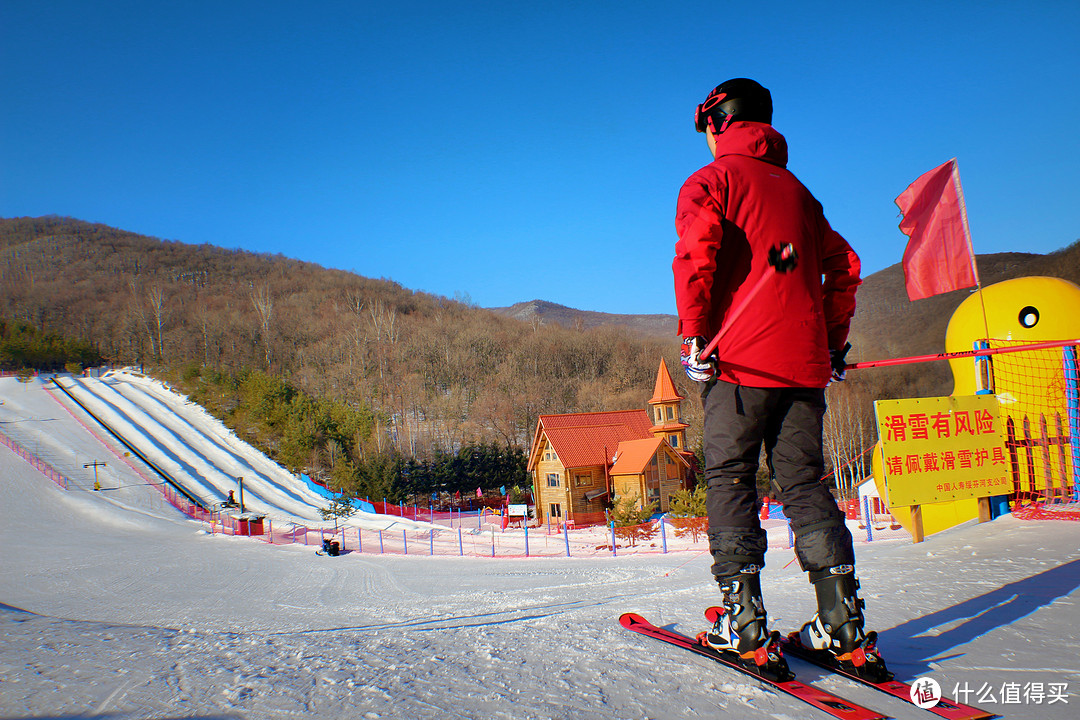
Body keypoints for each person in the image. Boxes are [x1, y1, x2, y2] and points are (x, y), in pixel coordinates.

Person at [672, 78, 886, 680]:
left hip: (739, 364)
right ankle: (842, 625)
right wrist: (833, 343)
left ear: (718, 120)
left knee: (729, 476)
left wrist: (693, 335)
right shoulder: (799, 193)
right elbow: (845, 267)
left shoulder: (710, 182)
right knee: (804, 482)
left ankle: (742, 625)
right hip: (803, 369)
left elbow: (697, 256)